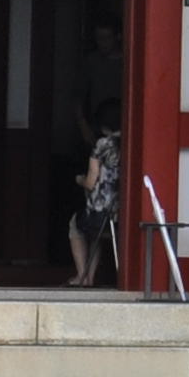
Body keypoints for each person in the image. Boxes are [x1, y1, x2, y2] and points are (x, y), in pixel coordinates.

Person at [69, 112, 122, 290]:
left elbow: (91, 182)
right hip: (120, 212)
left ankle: (83, 276)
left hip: (100, 211)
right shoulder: (129, 142)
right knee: (96, 234)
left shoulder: (103, 144)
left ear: (104, 127)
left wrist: (79, 180)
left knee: (76, 226)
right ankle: (89, 276)